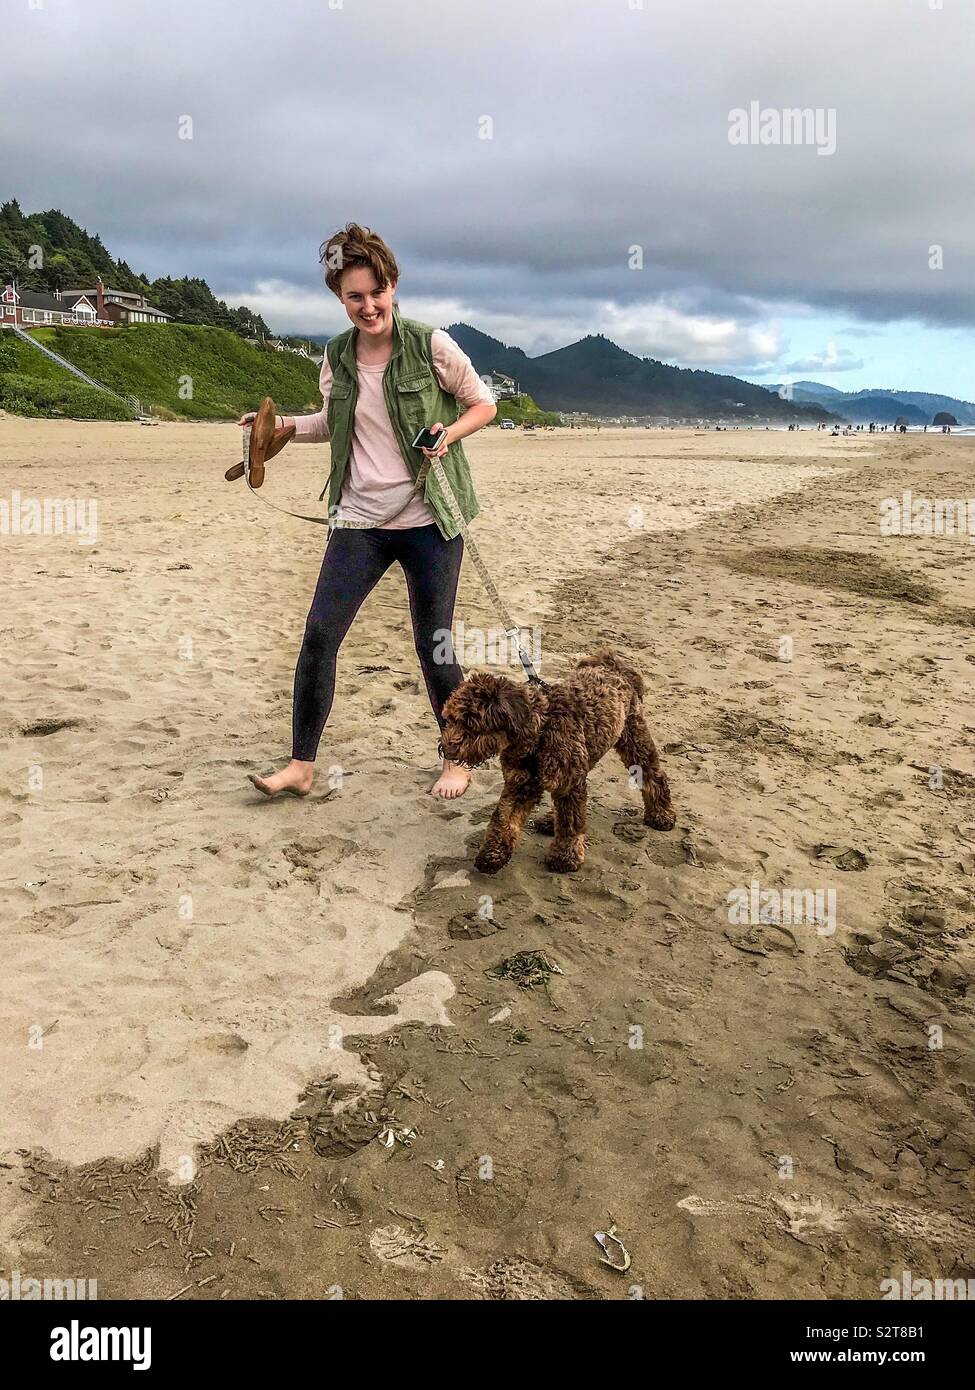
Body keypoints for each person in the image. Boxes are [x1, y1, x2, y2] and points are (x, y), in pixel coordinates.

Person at [240, 223, 497, 801]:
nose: (368, 306)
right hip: (359, 520)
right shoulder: (336, 354)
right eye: (355, 296)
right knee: (318, 635)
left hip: (430, 518)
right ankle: (300, 766)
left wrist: (447, 433)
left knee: (433, 642)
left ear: (393, 286)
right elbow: (333, 422)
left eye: (376, 293)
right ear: (339, 297)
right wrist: (280, 429)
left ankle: (457, 760)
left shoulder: (431, 345)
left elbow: (485, 403)